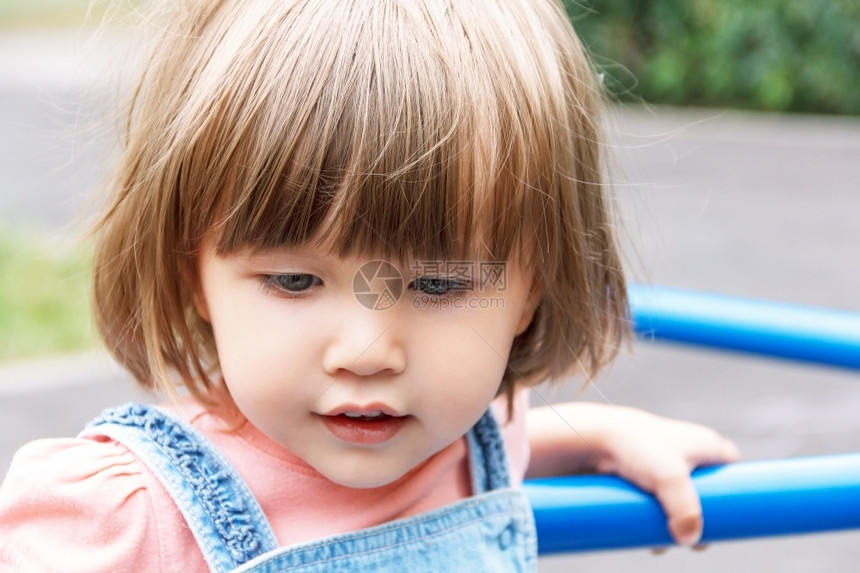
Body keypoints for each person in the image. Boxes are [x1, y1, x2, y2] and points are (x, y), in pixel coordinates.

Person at [0, 0, 739, 570]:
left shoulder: (476, 435)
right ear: (194, 274)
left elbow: (496, 439)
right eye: (293, 279)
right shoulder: (121, 516)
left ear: (533, 290)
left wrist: (602, 436)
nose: (365, 351)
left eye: (440, 284)